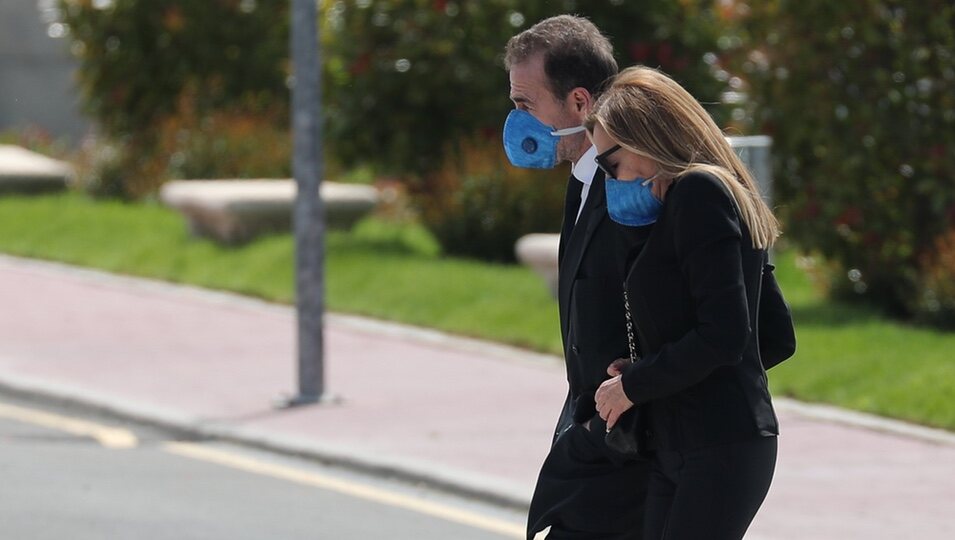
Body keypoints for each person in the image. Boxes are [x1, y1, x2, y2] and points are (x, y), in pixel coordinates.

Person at [588, 66, 797, 540]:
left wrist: (639, 383)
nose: (610, 178)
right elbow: (774, 335)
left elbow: (725, 334)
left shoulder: (701, 193)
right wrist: (654, 364)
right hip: (686, 442)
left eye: (609, 163)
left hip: (718, 445)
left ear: (645, 139)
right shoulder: (688, 199)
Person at [502, 15, 650, 540]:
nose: (516, 119)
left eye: (525, 104)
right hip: (598, 434)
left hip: (634, 441)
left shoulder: (631, 191)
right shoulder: (583, 181)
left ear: (581, 104)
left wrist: (628, 392)